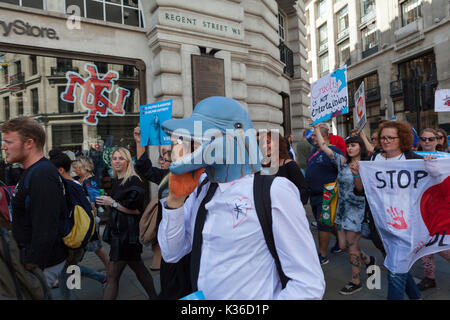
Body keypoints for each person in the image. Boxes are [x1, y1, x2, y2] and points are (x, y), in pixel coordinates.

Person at [158, 96, 325, 299]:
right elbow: (172, 254)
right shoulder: (201, 189)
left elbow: (308, 283)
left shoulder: (274, 191)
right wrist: (174, 201)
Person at [351, 121, 424, 300]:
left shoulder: (413, 160)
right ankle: (416, 296)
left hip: (406, 227)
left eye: (391, 137)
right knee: (398, 267)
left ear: (402, 139)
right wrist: (356, 174)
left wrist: (431, 165)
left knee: (394, 271)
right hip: (381, 227)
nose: (385, 141)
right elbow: (360, 190)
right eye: (383, 137)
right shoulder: (373, 159)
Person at [1, 117, 68, 288]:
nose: (3, 146)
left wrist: (31, 263)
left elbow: (46, 226)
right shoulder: (32, 171)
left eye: (8, 142)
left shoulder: (42, 174)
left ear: (29, 143)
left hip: (41, 266)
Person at [312, 124, 375, 294]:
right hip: (341, 209)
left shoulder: (367, 166)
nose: (349, 148)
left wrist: (356, 174)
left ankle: (355, 281)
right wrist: (316, 129)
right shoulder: (342, 162)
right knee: (343, 245)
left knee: (352, 246)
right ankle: (369, 260)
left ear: (360, 147)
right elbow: (325, 147)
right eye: (348, 145)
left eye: (353, 145)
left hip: (357, 210)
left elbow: (360, 190)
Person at [134, 126, 192, 300]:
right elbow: (144, 168)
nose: (166, 158)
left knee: (185, 284)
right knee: (168, 281)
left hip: (189, 242)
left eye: (169, 153)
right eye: (166, 155)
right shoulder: (168, 175)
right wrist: (139, 142)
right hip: (168, 236)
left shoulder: (198, 177)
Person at [96, 147, 157, 300]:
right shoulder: (117, 180)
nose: (117, 161)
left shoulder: (133, 180)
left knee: (112, 276)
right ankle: (155, 297)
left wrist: (113, 203)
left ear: (128, 162)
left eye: (121, 158)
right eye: (115, 158)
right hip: (120, 234)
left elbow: (136, 210)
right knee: (138, 270)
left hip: (127, 236)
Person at [48, 149, 106, 299]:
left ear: (60, 170)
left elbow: (87, 209)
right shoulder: (73, 184)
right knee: (68, 269)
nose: (76, 169)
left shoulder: (68, 186)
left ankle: (104, 276)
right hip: (76, 236)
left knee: (67, 270)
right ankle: (101, 277)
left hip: (73, 236)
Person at [305, 123, 344, 265]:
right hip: (314, 193)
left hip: (328, 193)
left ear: (324, 136)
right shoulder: (313, 151)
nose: (312, 138)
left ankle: (322, 254)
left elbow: (341, 168)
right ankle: (341, 240)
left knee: (323, 223)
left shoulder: (333, 151)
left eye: (315, 135)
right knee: (327, 222)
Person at [72, 156, 109, 272]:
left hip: (89, 219)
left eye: (77, 168)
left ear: (85, 168)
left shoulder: (90, 182)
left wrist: (91, 219)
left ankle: (110, 269)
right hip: (86, 218)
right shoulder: (82, 180)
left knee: (96, 246)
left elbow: (93, 201)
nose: (75, 170)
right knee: (94, 246)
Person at [259, 131, 310, 205]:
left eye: (268, 142)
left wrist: (289, 202)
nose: (264, 146)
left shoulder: (290, 165)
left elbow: (304, 190)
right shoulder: (263, 166)